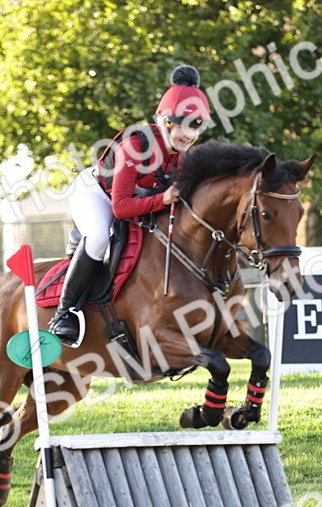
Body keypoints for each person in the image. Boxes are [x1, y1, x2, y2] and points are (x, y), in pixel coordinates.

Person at [48, 65, 212, 346]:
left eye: (196, 127)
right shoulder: (136, 147)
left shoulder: (186, 156)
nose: (189, 136)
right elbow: (121, 209)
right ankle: (65, 312)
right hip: (97, 194)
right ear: (165, 122)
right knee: (100, 236)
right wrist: (162, 199)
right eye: (183, 126)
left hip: (135, 201)